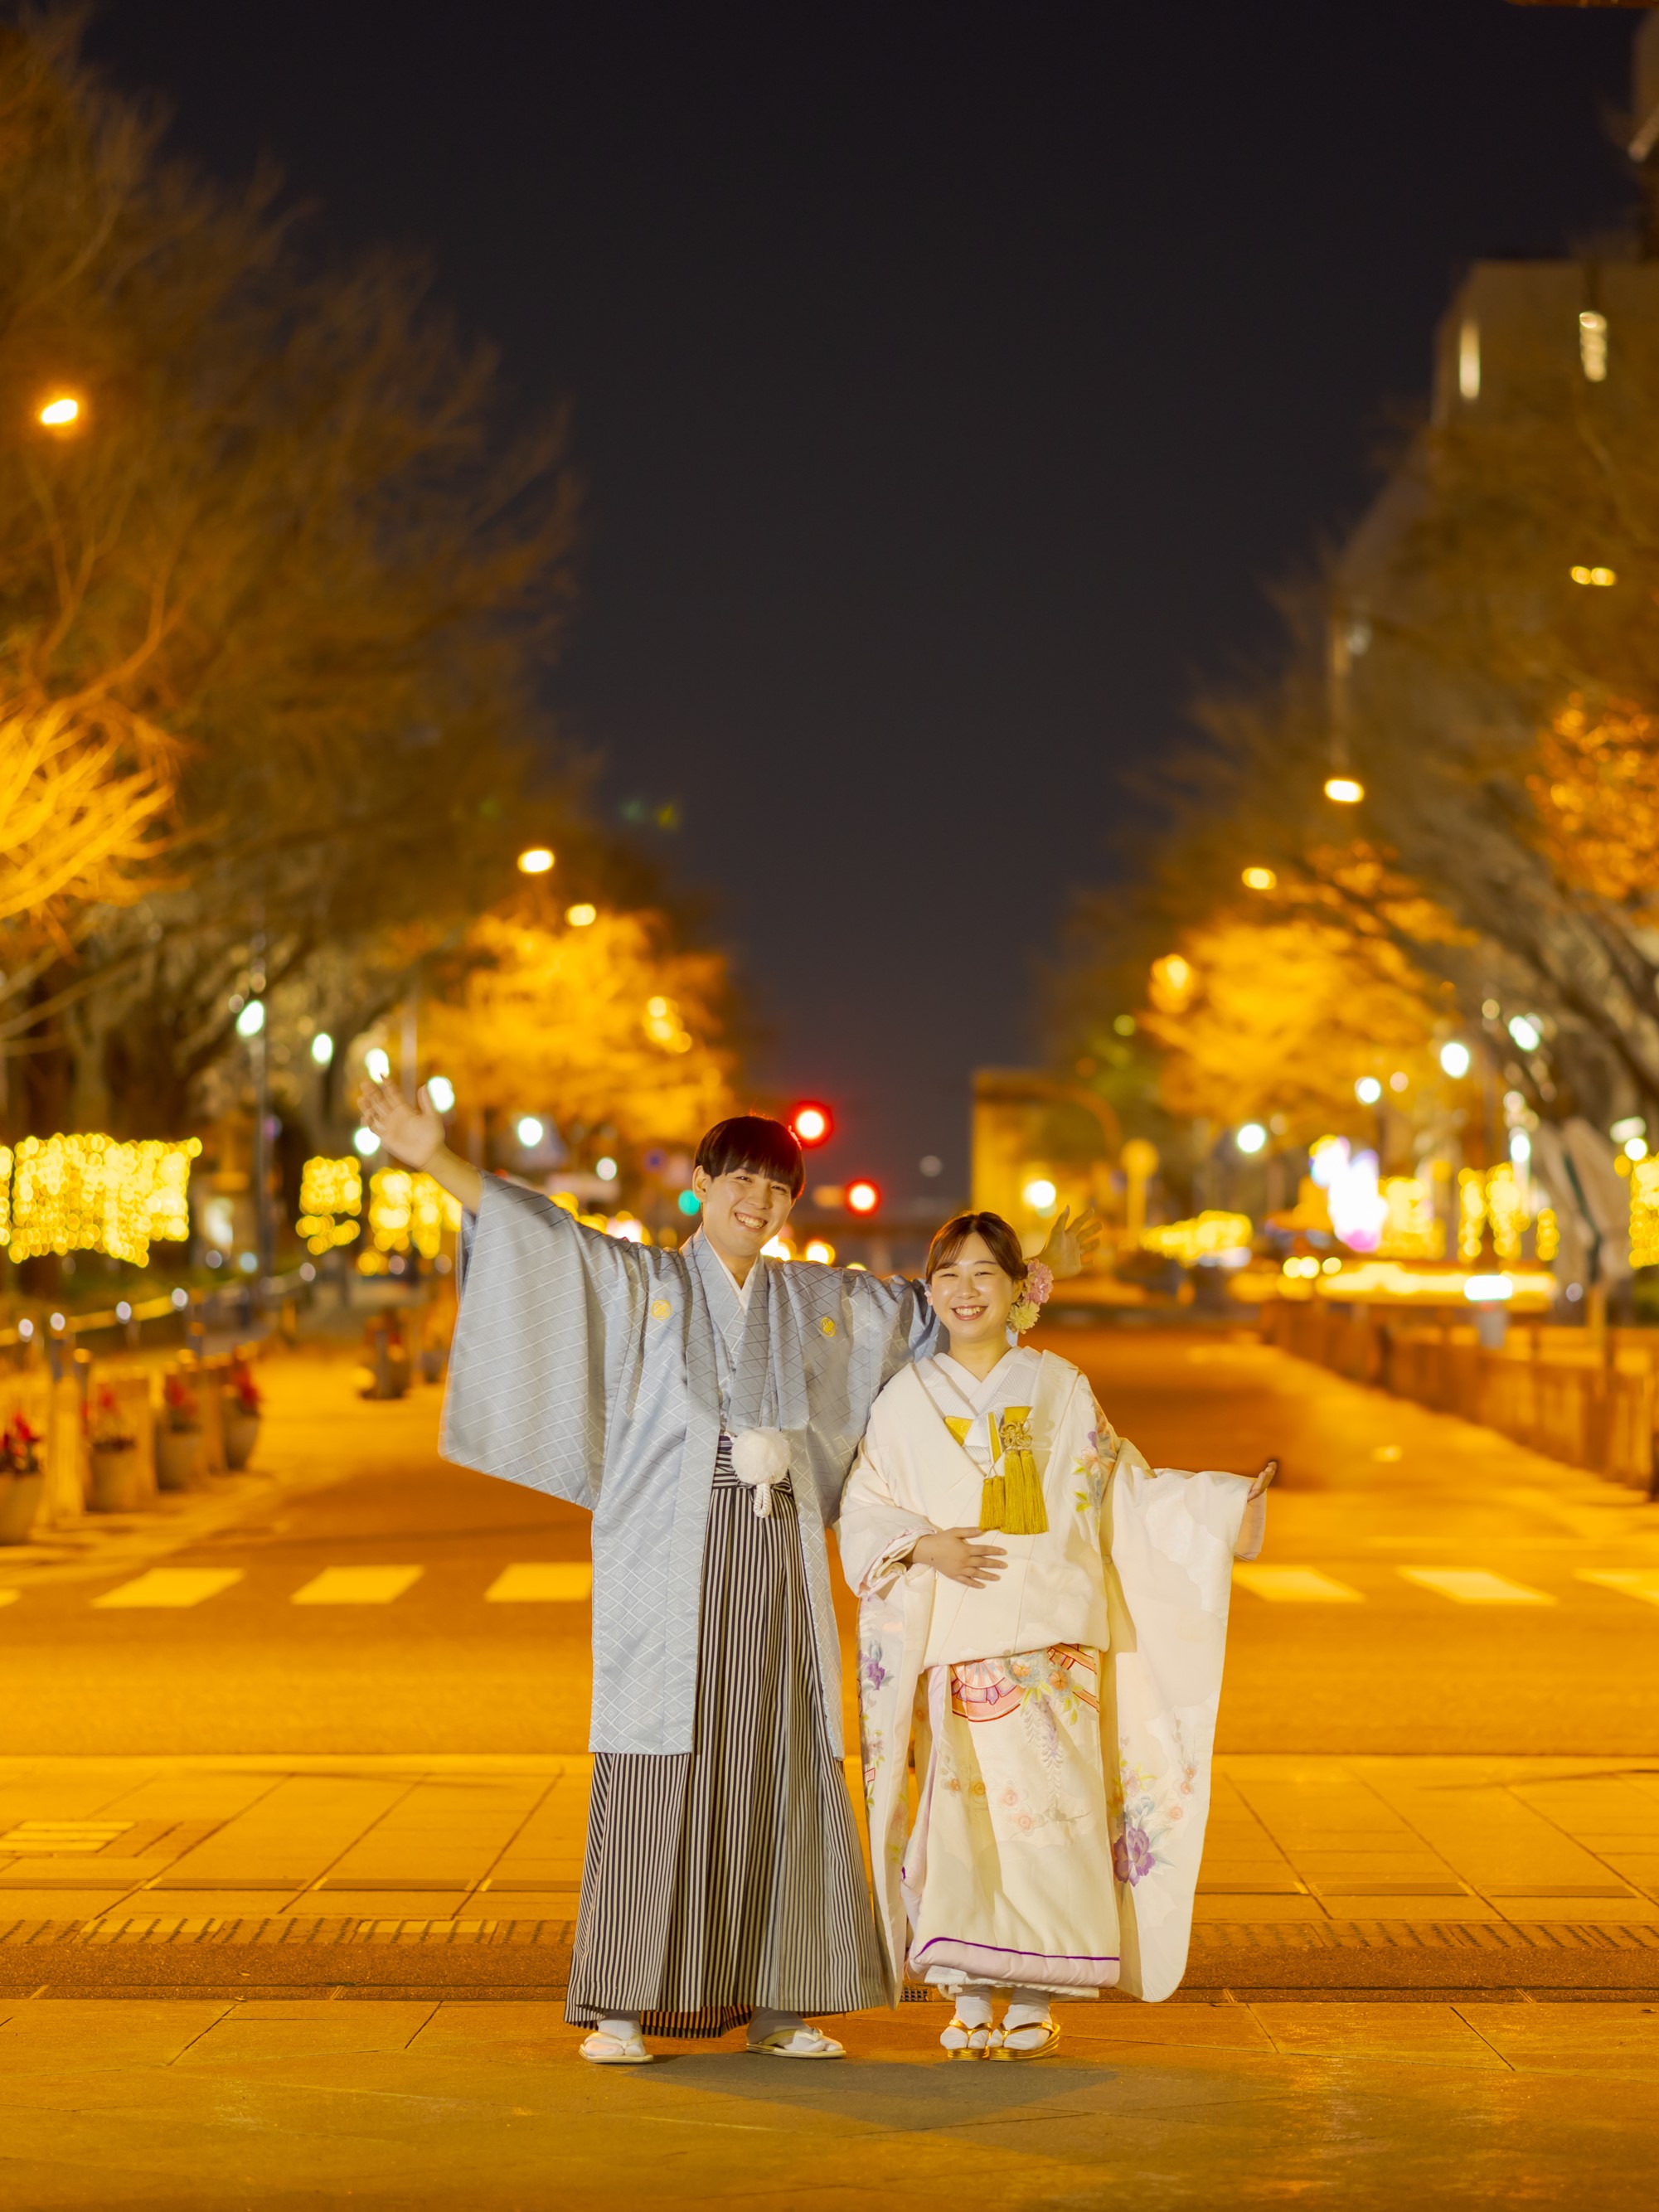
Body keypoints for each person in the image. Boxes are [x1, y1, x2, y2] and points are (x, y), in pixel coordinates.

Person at [355, 1082, 1098, 2064]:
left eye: (778, 1187)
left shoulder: (813, 1301)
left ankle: (785, 2002)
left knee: (783, 1759)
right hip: (669, 1551)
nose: (759, 1199)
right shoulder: (642, 1283)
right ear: (702, 1186)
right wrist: (432, 1157)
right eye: (741, 1179)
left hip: (776, 1556)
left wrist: (1038, 1270)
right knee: (656, 1763)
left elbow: (935, 1308)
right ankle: (621, 2004)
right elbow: (548, 1242)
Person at [837, 1210, 1273, 2060]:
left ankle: (1034, 1993)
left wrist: (1224, 1505)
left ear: (1017, 1291)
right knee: (958, 1826)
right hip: (954, 1641)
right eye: (949, 1275)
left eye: (984, 1274)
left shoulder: (1061, 1387)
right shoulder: (903, 1399)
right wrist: (922, 1545)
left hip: (1050, 1642)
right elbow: (866, 1501)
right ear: (931, 1291)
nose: (966, 1291)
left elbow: (1123, 1489)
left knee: (1050, 1818)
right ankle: (966, 1990)